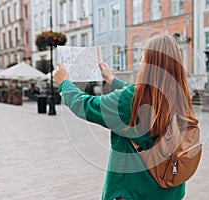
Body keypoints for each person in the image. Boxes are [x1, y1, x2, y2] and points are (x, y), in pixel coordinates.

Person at [54, 34, 198, 200]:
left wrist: (65, 83)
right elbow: (141, 95)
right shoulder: (180, 96)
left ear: (149, 64)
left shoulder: (131, 99)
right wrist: (112, 79)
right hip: (170, 192)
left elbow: (87, 105)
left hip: (134, 191)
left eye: (143, 57)